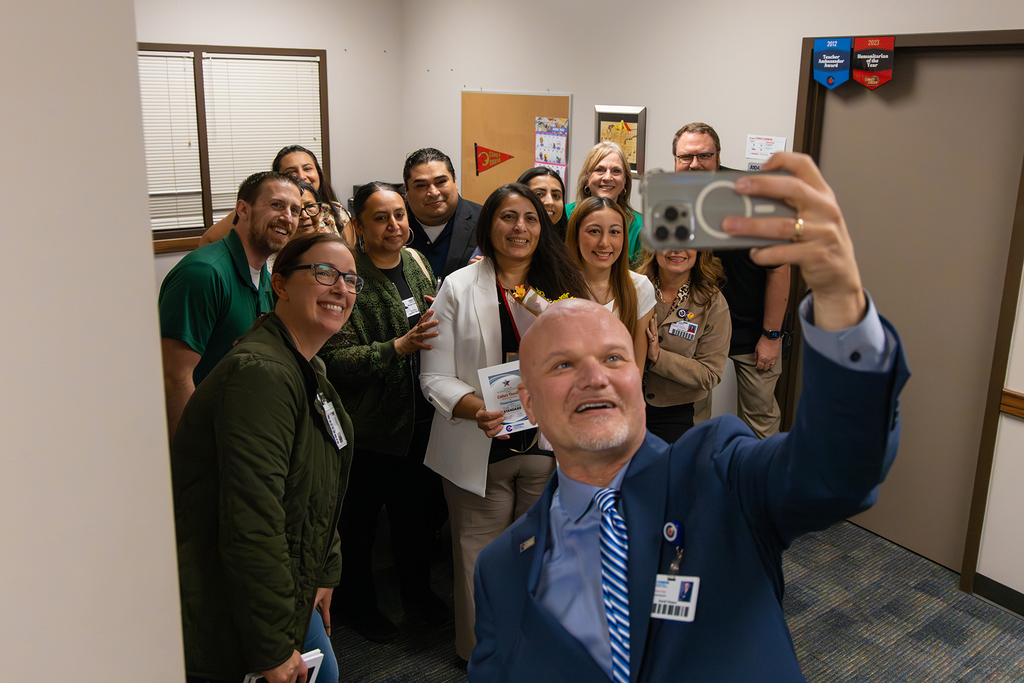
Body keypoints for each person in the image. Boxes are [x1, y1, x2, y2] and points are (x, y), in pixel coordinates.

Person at [469, 152, 910, 682]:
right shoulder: (501, 568)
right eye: (563, 364)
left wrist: (840, 303)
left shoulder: (717, 473)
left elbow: (835, 471)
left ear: (635, 375)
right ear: (530, 402)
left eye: (613, 357)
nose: (595, 377)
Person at [172, 232, 362, 683]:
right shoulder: (263, 374)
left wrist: (325, 569)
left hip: (295, 571)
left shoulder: (306, 365)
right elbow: (251, 518)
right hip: (236, 595)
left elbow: (322, 478)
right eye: (324, 273)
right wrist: (272, 648)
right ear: (280, 285)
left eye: (351, 279)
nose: (341, 288)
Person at [419, 183, 590, 662]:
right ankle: (481, 655)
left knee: (537, 558)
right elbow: (433, 377)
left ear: (544, 227)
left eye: (531, 218)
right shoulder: (456, 286)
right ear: (488, 225)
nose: (520, 228)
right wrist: (477, 409)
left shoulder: (566, 286)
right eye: (508, 217)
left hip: (546, 447)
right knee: (477, 562)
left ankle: (528, 650)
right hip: (481, 446)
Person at [318, 182, 449, 643]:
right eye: (380, 217)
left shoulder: (414, 262)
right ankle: (360, 608)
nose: (393, 225)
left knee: (414, 521)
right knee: (358, 529)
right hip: (369, 429)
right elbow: (334, 359)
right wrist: (398, 347)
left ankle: (418, 596)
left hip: (419, 420)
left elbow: (428, 321)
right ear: (359, 224)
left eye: (399, 215)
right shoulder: (346, 275)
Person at [159, 171, 301, 440]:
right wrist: (192, 458)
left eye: (295, 210)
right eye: (276, 205)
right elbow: (174, 378)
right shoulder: (204, 273)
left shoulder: (265, 277)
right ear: (242, 209)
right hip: (205, 443)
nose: (288, 217)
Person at [673, 122, 791, 436]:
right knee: (689, 419)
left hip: (753, 333)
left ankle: (758, 483)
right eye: (685, 157)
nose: (694, 164)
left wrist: (771, 335)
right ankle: (693, 479)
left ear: (718, 156)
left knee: (760, 420)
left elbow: (779, 268)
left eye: (703, 156)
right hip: (692, 329)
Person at [639, 249, 731, 442]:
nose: (676, 249)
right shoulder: (633, 287)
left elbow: (710, 374)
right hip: (626, 402)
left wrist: (658, 357)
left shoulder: (712, 303)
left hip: (677, 414)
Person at [200, 144, 354, 247]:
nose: (301, 176)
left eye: (307, 169)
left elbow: (351, 257)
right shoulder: (259, 212)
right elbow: (208, 240)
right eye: (291, 172)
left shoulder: (335, 211)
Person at [566, 196, 656, 369]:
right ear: (575, 236)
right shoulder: (558, 285)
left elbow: (635, 367)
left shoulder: (640, 287)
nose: (604, 243)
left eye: (614, 232)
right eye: (594, 231)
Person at [404, 147, 482, 280]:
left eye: (441, 182)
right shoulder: (393, 224)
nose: (433, 192)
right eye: (421, 185)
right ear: (406, 190)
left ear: (455, 182)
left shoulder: (485, 220)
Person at [565, 142, 643, 265]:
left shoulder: (640, 227)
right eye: (599, 170)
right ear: (587, 179)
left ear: (624, 181)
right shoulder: (565, 215)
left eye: (616, 171)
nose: (607, 177)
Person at [518, 166, 568, 239]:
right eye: (539, 194)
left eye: (556, 195)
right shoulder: (511, 242)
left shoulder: (571, 245)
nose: (550, 202)